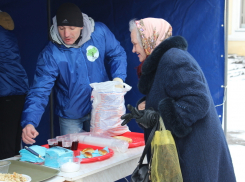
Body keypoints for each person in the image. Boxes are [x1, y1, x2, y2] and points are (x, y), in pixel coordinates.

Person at [121, 18, 236, 181]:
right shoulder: (163, 61)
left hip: (196, 155)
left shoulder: (173, 59)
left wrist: (159, 117)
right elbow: (167, 95)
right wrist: (146, 110)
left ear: (148, 40)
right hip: (185, 153)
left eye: (135, 43)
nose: (133, 49)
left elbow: (197, 100)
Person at [21, 3, 127, 144]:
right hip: (70, 116)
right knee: (74, 156)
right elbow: (40, 90)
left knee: (104, 151)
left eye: (72, 28)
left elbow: (117, 54)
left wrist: (118, 79)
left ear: (82, 26)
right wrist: (29, 121)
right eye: (61, 28)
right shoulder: (51, 53)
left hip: (101, 108)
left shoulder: (99, 32)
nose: (66, 34)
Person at [0, 11, 29, 159]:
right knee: (14, 143)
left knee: (5, 147)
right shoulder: (7, 34)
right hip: (17, 93)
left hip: (7, 95)